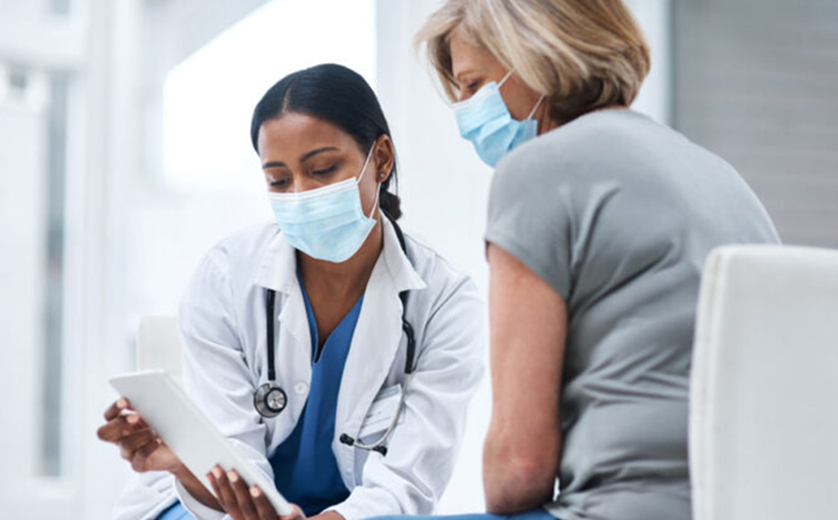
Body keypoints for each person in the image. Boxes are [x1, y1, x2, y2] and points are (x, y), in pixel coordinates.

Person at [406, 1, 781, 520]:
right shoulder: (721, 176)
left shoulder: (534, 171)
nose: (466, 111)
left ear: (537, 58)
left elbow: (518, 470)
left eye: (473, 86)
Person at [98, 63, 484, 520]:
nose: (300, 194)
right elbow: (230, 463)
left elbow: (408, 481)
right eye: (279, 180)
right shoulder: (226, 278)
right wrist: (191, 471)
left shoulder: (443, 301)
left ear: (380, 159)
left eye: (321, 170)